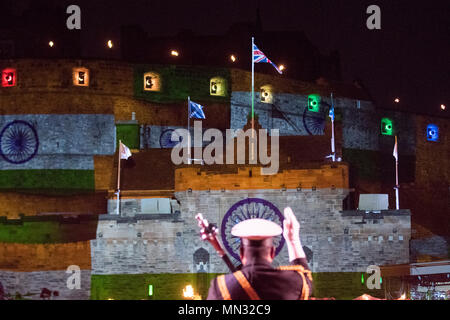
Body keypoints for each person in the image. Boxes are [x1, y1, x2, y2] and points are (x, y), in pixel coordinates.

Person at [207, 207, 313, 300]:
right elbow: (306, 278)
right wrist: (293, 240)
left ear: (241, 252)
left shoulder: (221, 288)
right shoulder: (294, 283)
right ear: (272, 252)